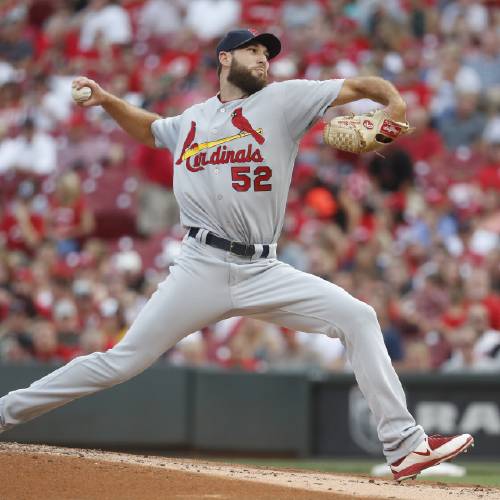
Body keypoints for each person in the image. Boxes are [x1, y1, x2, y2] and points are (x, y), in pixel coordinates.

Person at [0, 29, 473, 481]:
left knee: (359, 317)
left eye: (267, 53)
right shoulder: (192, 120)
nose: (263, 58)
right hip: (199, 266)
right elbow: (150, 131)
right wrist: (108, 102)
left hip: (263, 268)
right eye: (252, 51)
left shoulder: (284, 100)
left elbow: (359, 84)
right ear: (225, 59)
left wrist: (393, 101)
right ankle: (5, 412)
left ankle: (404, 444)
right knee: (122, 361)